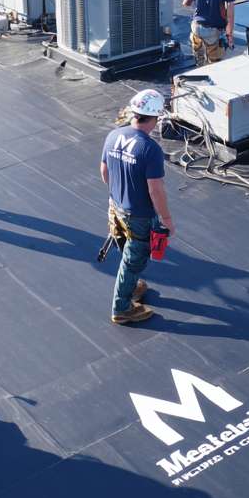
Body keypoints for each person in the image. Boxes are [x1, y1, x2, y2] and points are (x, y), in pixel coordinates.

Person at [101, 90, 174, 325]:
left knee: (126, 250)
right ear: (154, 118)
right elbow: (155, 190)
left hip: (116, 208)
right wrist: (167, 219)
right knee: (134, 260)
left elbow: (104, 173)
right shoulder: (150, 149)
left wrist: (120, 190)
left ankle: (131, 284)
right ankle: (122, 308)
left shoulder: (113, 135)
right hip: (138, 215)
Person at [182, 0, 236, 66]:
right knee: (215, 62)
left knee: (198, 57)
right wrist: (229, 35)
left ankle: (199, 67)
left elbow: (186, 3)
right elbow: (230, 13)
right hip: (212, 28)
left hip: (196, 26)